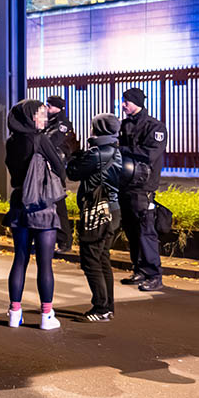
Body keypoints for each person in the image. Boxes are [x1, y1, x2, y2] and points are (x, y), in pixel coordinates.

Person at [3, 100, 66, 330]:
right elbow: (60, 168)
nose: (44, 117)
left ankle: (14, 312)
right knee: (44, 264)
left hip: (19, 203)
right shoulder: (40, 140)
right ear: (30, 117)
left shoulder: (11, 142)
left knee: (19, 259)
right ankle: (46, 315)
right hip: (42, 206)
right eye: (40, 114)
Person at [67, 114, 123, 322]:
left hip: (98, 210)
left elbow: (72, 172)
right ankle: (107, 306)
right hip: (114, 208)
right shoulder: (116, 150)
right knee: (102, 258)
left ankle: (100, 308)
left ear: (98, 129)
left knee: (91, 259)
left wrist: (73, 153)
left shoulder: (98, 153)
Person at [119, 87, 167, 292]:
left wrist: (121, 149)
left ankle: (154, 274)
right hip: (126, 184)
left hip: (143, 186)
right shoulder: (125, 124)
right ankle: (139, 269)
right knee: (131, 230)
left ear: (136, 102)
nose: (123, 105)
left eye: (126, 101)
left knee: (146, 230)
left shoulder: (154, 126)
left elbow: (149, 155)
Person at [45, 96, 79, 254]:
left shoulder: (62, 125)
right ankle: (51, 241)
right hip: (48, 169)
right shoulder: (50, 123)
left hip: (56, 171)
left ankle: (65, 241)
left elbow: (49, 143)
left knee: (59, 206)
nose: (46, 108)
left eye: (49, 106)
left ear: (57, 108)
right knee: (47, 206)